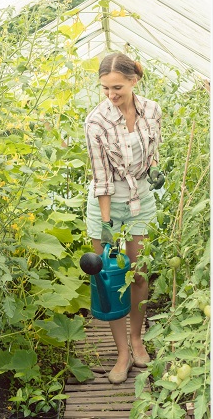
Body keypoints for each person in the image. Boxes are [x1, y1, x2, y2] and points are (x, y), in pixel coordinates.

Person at [84, 52, 165, 384]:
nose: (111, 95)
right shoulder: (96, 121)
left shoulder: (152, 111)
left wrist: (156, 170)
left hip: (141, 201)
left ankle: (137, 341)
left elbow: (154, 151)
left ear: (134, 80)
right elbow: (101, 177)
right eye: (105, 88)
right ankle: (121, 354)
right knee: (110, 277)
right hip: (106, 203)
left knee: (139, 274)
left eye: (117, 87)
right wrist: (106, 226)